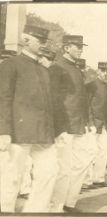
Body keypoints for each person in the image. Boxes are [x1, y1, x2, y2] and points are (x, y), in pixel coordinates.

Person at [0, 25, 58, 212]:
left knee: (49, 172)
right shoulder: (10, 65)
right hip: (18, 132)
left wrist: (53, 132)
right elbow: (3, 99)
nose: (43, 45)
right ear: (26, 40)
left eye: (44, 41)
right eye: (39, 41)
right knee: (12, 177)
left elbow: (49, 104)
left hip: (43, 134)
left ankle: (35, 212)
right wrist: (4, 131)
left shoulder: (44, 70)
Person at [49, 35, 90, 213]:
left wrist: (85, 123)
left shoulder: (77, 70)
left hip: (78, 125)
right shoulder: (56, 68)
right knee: (63, 169)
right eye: (77, 46)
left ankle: (69, 202)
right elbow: (53, 100)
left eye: (81, 46)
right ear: (66, 48)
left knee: (83, 162)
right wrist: (59, 128)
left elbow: (80, 100)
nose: (81, 49)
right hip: (64, 125)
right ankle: (57, 207)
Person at [85, 62, 107, 188]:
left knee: (105, 150)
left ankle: (99, 178)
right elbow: (87, 105)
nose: (105, 73)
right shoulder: (90, 86)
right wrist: (90, 123)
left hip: (102, 125)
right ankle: (86, 181)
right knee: (90, 152)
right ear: (98, 71)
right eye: (103, 70)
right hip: (92, 124)